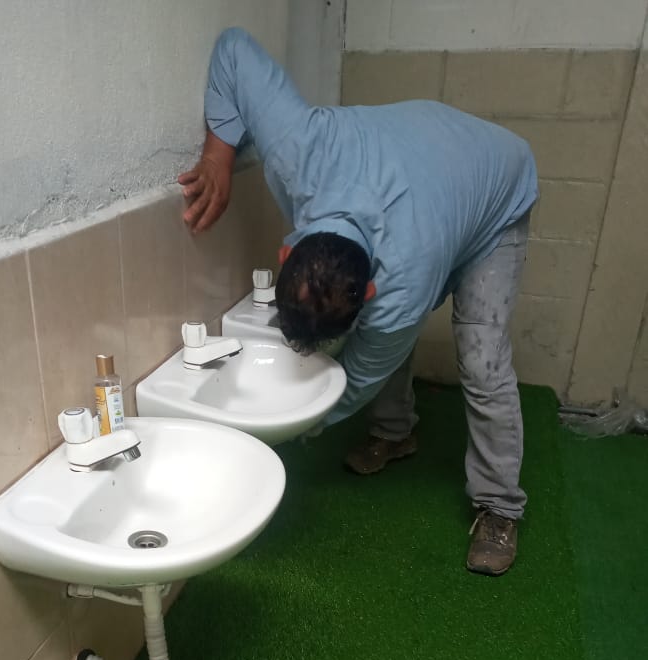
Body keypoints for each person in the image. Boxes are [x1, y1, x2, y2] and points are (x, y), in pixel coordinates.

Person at [178, 28, 538, 577]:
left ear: (369, 289)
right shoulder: (297, 145)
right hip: (432, 173)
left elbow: (363, 372)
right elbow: (232, 49)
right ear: (286, 251)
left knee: (481, 357)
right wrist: (217, 156)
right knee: (388, 337)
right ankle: (395, 434)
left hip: (497, 188)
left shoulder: (401, 286)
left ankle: (500, 506)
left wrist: (294, 426)